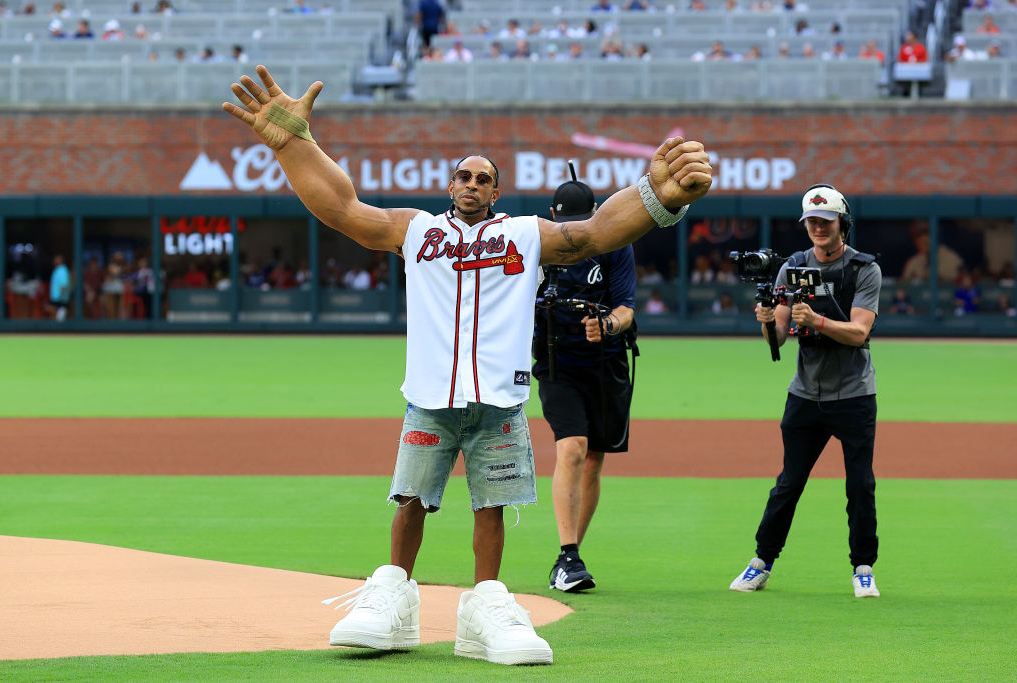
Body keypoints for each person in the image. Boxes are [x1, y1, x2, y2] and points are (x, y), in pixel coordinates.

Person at [222, 65, 711, 666]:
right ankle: (392, 601)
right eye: (464, 175)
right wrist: (295, 145)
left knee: (491, 505)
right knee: (410, 499)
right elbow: (344, 209)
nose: (473, 182)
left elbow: (595, 234)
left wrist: (658, 196)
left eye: (484, 177)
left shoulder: (523, 234)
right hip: (429, 394)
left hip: (498, 400)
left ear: (496, 192)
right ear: (450, 184)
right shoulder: (417, 230)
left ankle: (485, 608)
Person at [729, 184, 883, 599]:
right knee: (788, 483)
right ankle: (761, 562)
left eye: (825, 221)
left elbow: (859, 331)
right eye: (811, 222)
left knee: (860, 485)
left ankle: (863, 568)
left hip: (854, 394)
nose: (817, 228)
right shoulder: (791, 268)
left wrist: (815, 321)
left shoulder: (864, 269)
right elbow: (778, 336)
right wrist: (765, 319)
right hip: (805, 393)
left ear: (841, 224)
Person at [533, 172, 637, 593]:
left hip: (606, 363)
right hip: (558, 364)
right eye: (567, 221)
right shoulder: (537, 247)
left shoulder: (616, 244)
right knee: (572, 447)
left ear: (596, 216)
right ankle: (568, 554)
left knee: (595, 458)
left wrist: (607, 324)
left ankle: (573, 557)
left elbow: (626, 306)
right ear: (552, 218)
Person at [47, 254, 70, 321]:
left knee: (59, 317)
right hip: (56, 298)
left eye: (58, 259)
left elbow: (63, 285)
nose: (55, 260)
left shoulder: (62, 270)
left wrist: (62, 297)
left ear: (62, 260)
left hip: (60, 299)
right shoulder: (57, 269)